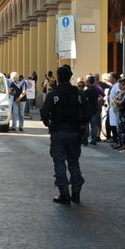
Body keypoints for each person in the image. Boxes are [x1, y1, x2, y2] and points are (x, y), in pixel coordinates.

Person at [40, 64, 88, 204]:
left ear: (58, 77)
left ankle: (64, 193)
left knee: (59, 162)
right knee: (73, 162)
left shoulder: (53, 94)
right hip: (74, 131)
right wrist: (81, 124)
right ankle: (76, 192)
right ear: (70, 77)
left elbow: (45, 112)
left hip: (58, 131)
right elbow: (87, 111)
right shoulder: (77, 93)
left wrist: (48, 124)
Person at [84, 76, 103, 145]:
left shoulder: (86, 91)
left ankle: (85, 140)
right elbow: (101, 96)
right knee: (94, 126)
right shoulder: (96, 90)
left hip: (87, 111)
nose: (85, 83)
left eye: (86, 82)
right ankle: (93, 140)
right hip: (95, 110)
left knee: (86, 126)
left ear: (89, 83)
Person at [107, 73, 121, 146]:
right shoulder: (113, 86)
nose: (109, 79)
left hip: (115, 107)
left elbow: (118, 94)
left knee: (115, 124)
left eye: (110, 77)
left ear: (114, 78)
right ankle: (115, 139)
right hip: (112, 107)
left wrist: (114, 101)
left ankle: (117, 140)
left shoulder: (117, 85)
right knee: (112, 124)